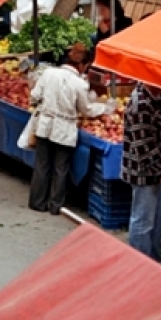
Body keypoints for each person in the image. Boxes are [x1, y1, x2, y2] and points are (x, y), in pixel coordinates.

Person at [28, 45, 103, 214]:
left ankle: (37, 202)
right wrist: (104, 109)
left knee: (42, 164)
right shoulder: (80, 84)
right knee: (60, 168)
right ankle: (55, 205)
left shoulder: (48, 74)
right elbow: (86, 110)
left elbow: (34, 96)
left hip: (45, 124)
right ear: (83, 65)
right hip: (64, 128)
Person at [121, 81, 161, 260]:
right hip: (146, 173)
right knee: (143, 221)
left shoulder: (159, 97)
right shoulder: (140, 104)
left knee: (159, 219)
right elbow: (144, 147)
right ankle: (140, 263)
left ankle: (153, 260)